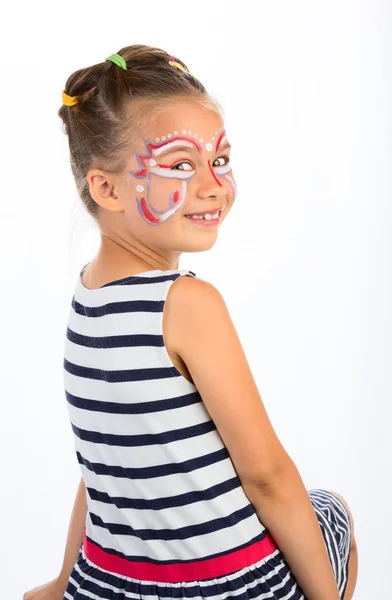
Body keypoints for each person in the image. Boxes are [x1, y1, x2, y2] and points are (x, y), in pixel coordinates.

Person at [23, 45, 357, 600]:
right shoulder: (187, 303)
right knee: (334, 511)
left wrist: (65, 584)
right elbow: (268, 476)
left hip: (107, 585)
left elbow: (104, 469)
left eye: (219, 160)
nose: (213, 185)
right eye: (180, 164)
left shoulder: (87, 296)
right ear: (106, 188)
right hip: (223, 587)